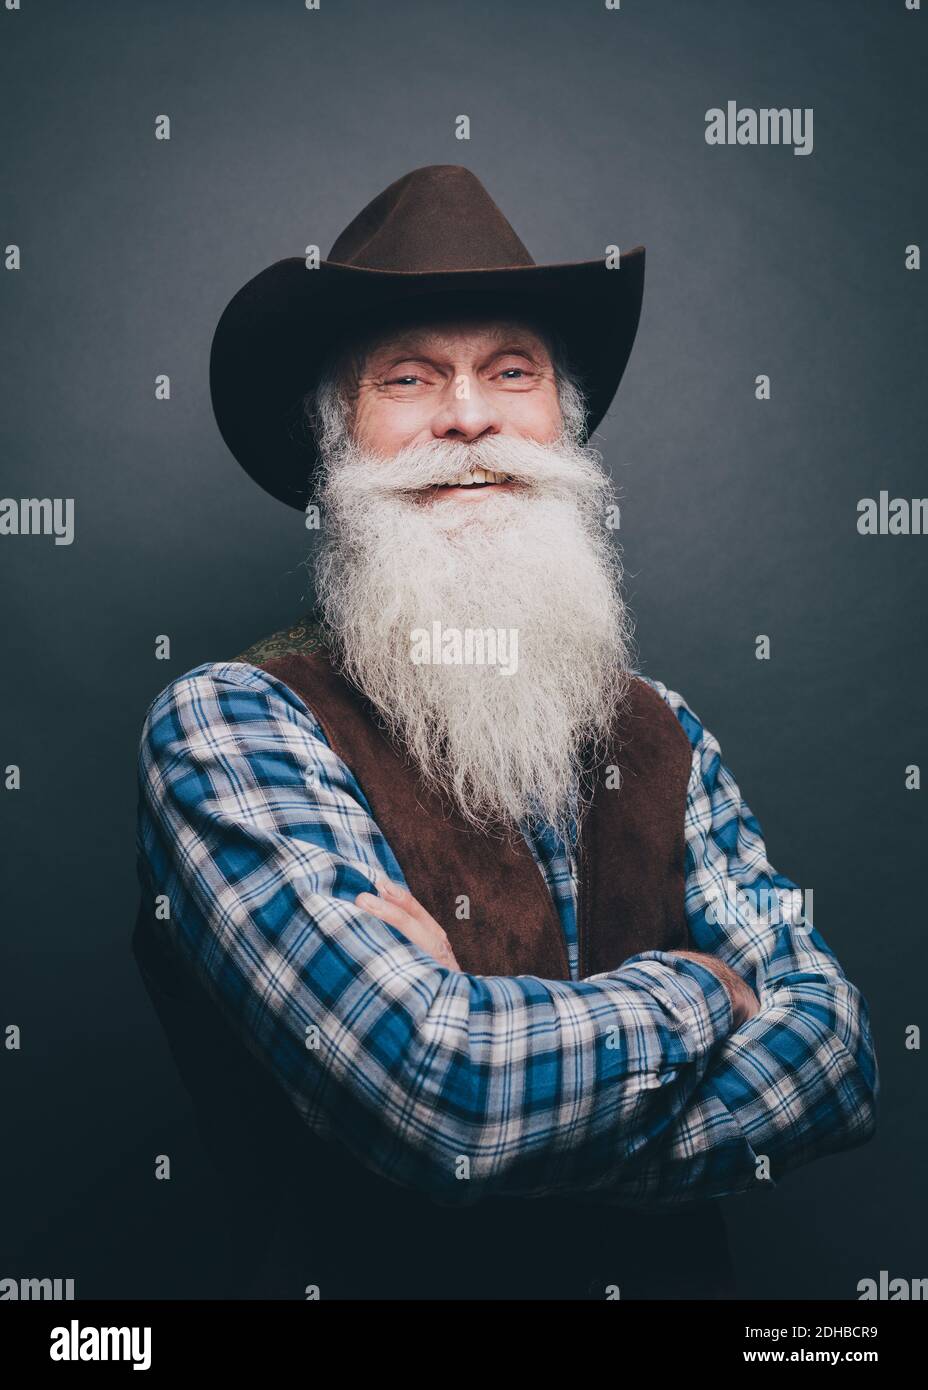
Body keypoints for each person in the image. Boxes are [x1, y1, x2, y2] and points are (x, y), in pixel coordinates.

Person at [133, 164, 879, 1299]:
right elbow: (441, 1095)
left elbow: (836, 1065)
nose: (469, 414)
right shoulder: (231, 724)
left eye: (511, 371)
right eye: (409, 376)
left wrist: (500, 1098)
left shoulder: (664, 728)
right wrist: (705, 993)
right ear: (336, 446)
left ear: (559, 424)